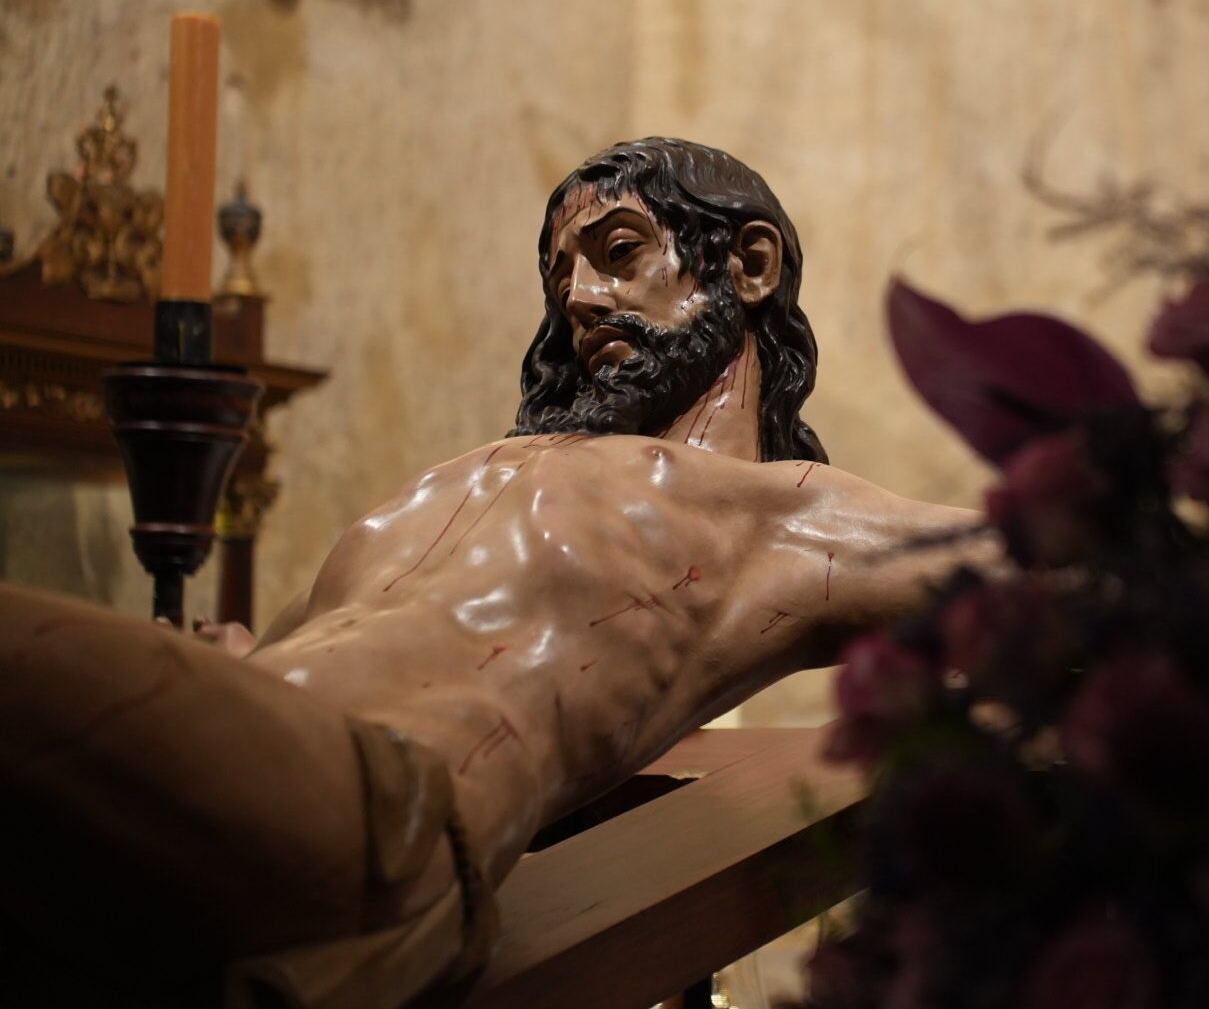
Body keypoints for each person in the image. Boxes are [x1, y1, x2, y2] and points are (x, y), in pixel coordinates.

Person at [0, 138, 996, 1007]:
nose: (577, 298)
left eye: (616, 253)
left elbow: (1081, 579)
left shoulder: (779, 517)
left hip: (384, 816)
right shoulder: (465, 479)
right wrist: (235, 659)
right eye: (562, 272)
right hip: (242, 748)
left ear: (747, 264)